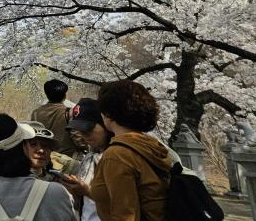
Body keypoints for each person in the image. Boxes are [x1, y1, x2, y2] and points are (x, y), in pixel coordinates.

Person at [59, 81, 169, 221]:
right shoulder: (148, 145)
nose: (83, 135)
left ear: (108, 115)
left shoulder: (117, 154)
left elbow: (124, 215)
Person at [0, 114, 77, 221]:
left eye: (46, 146)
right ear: (22, 148)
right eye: (32, 144)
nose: (40, 150)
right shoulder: (57, 191)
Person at [61, 98, 107, 221]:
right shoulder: (91, 154)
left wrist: (87, 191)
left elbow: (124, 203)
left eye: (88, 129)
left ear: (105, 122)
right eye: (80, 130)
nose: (83, 135)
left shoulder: (117, 157)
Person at [32, 79, 80, 156]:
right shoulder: (69, 112)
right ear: (64, 96)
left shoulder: (36, 112)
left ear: (47, 95)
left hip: (44, 156)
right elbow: (76, 136)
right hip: (66, 158)